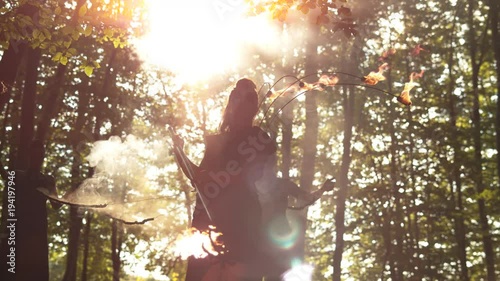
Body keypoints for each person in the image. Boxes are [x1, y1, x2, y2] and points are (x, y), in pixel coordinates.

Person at [172, 78, 277, 281]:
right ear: (230, 104)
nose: (241, 102)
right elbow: (197, 178)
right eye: (236, 96)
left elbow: (251, 175)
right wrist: (180, 152)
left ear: (253, 106)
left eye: (248, 98)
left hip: (241, 222)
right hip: (207, 221)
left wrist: (218, 177)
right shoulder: (216, 142)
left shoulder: (259, 139)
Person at [256, 155, 335, 280]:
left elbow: (307, 199)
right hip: (270, 240)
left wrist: (323, 189)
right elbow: (308, 199)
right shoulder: (259, 187)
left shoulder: (281, 185)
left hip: (276, 240)